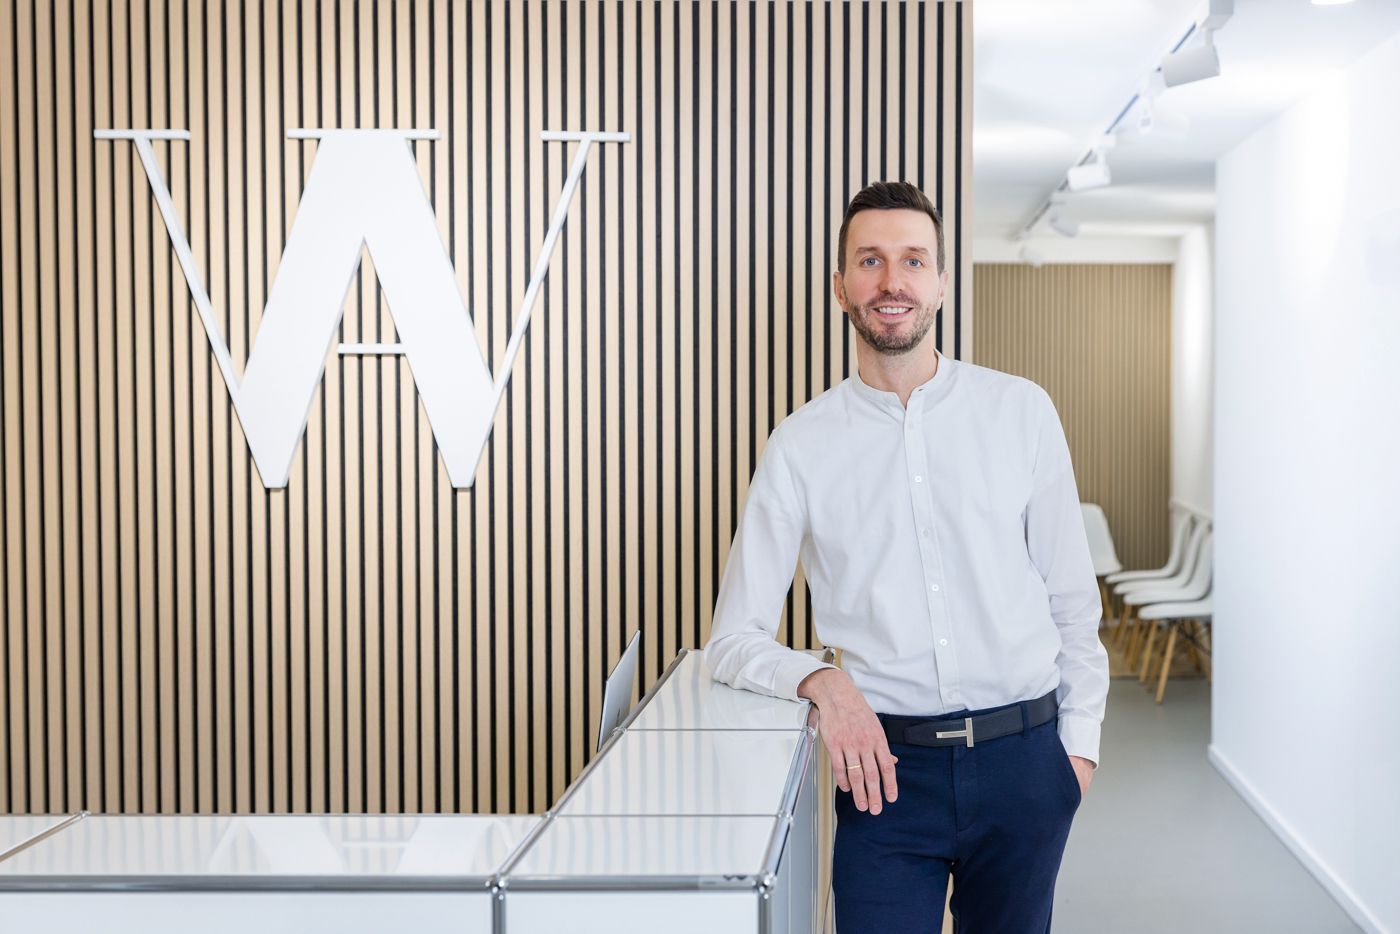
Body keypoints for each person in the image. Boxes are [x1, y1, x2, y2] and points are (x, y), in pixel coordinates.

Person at [704, 181, 1109, 932]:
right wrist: (822, 680)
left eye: (913, 260)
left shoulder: (1020, 412)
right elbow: (731, 641)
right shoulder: (800, 445)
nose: (893, 281)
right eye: (871, 261)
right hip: (885, 779)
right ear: (841, 287)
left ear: (941, 283)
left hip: (1027, 766)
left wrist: (1074, 758)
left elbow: (1073, 606)